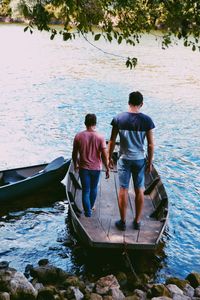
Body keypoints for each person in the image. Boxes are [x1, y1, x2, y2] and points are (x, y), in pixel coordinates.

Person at [108, 91, 155, 230]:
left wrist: (109, 157)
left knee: (123, 188)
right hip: (140, 159)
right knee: (139, 189)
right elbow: (151, 144)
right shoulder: (147, 121)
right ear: (141, 104)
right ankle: (137, 221)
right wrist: (150, 162)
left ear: (128, 102)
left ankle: (122, 222)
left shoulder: (118, 119)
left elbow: (111, 141)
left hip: (124, 159)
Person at [72, 114, 109, 217]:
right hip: (96, 168)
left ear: (85, 123)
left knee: (86, 191)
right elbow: (104, 155)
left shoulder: (78, 136)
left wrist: (75, 164)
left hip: (84, 168)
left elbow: (74, 154)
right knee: (93, 188)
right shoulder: (100, 137)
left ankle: (87, 212)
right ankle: (91, 206)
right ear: (95, 123)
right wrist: (107, 168)